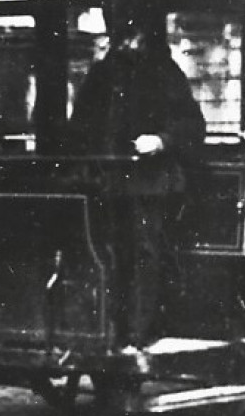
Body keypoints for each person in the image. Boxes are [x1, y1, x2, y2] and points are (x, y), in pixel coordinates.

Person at [66, 24, 206, 347]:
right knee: (106, 254)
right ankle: (110, 329)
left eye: (136, 37)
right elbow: (81, 122)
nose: (130, 44)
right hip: (107, 181)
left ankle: (139, 331)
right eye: (126, 37)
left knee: (145, 253)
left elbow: (192, 124)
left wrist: (161, 140)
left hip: (149, 182)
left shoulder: (164, 73)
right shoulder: (102, 75)